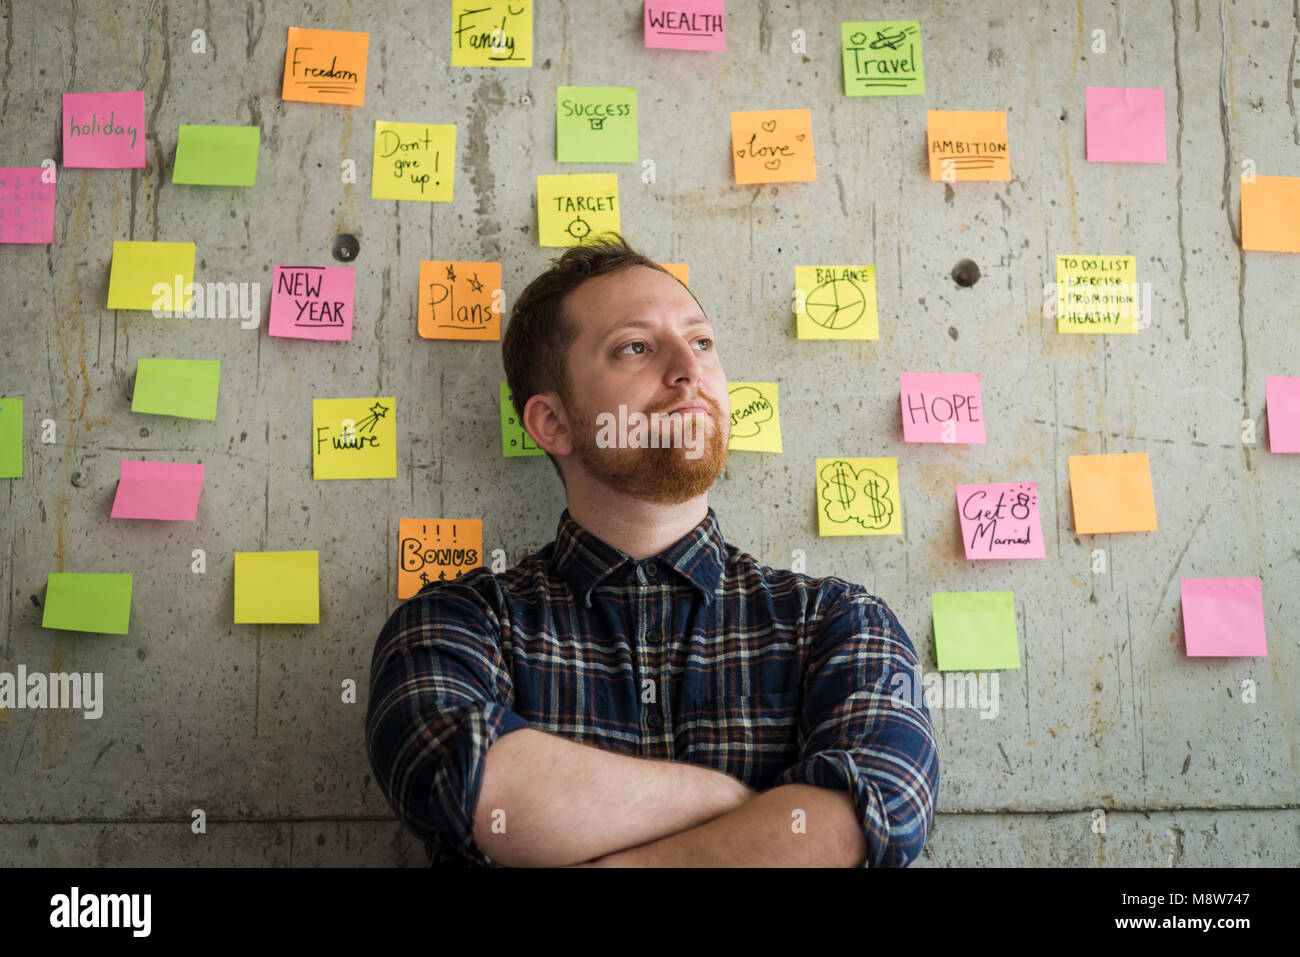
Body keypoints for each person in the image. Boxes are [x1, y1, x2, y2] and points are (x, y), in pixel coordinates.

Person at [365, 234, 938, 867]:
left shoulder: (839, 622)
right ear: (551, 423)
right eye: (635, 347)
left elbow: (862, 823)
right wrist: (737, 805)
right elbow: (472, 784)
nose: (688, 370)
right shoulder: (457, 623)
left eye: (702, 342)